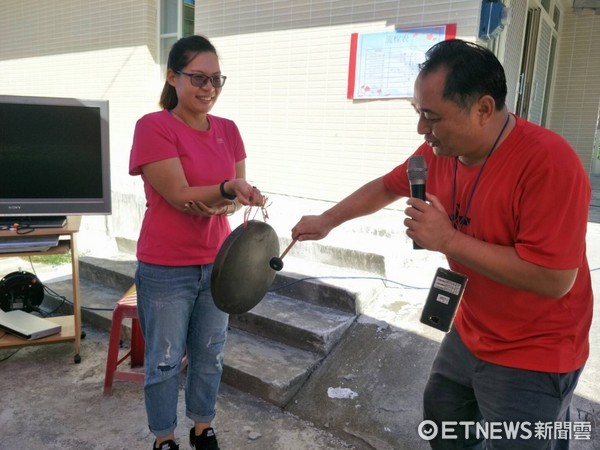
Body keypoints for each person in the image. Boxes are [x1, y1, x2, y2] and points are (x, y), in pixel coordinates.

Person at [291, 39, 593, 449]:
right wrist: (327, 220)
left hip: (535, 351)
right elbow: (386, 186)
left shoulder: (548, 163)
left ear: (483, 109)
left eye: (431, 118)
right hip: (471, 330)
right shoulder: (439, 151)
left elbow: (554, 278)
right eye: (419, 115)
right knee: (443, 415)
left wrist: (449, 239)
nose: (421, 130)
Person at [129, 35, 264, 450]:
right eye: (198, 78)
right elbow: (178, 193)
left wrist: (233, 199)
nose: (208, 88)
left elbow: (230, 194)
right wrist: (224, 189)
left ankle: (203, 427)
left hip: (219, 264)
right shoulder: (154, 126)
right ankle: (164, 437)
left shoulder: (229, 130)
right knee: (165, 359)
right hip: (166, 267)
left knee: (211, 356)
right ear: (173, 77)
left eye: (216, 80)